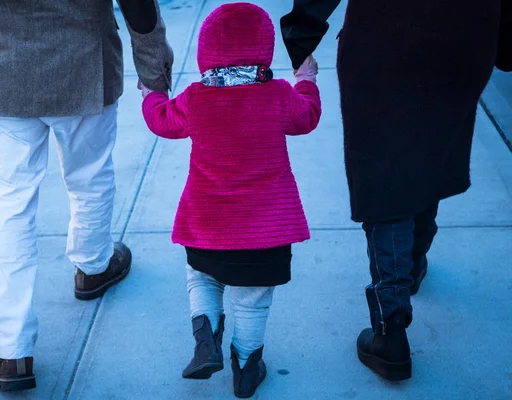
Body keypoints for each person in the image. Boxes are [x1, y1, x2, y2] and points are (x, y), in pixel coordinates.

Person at [0, 0, 173, 391]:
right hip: (85, 61)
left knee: (7, 208)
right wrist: (152, 62)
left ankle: (11, 352)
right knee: (90, 177)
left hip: (1, 63)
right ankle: (94, 267)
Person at [282, 0, 512, 382]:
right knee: (432, 146)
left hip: (385, 34)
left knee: (383, 170)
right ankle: (412, 261)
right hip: (465, 34)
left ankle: (391, 330)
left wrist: (301, 34)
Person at [140, 3, 322, 398]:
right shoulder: (277, 95)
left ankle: (206, 341)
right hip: (266, 232)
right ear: (264, 46)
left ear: (207, 49)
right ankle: (245, 369)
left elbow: (162, 121)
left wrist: (151, 95)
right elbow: (307, 118)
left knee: (202, 276)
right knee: (252, 301)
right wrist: (305, 80)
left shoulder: (196, 98)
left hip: (206, 226)